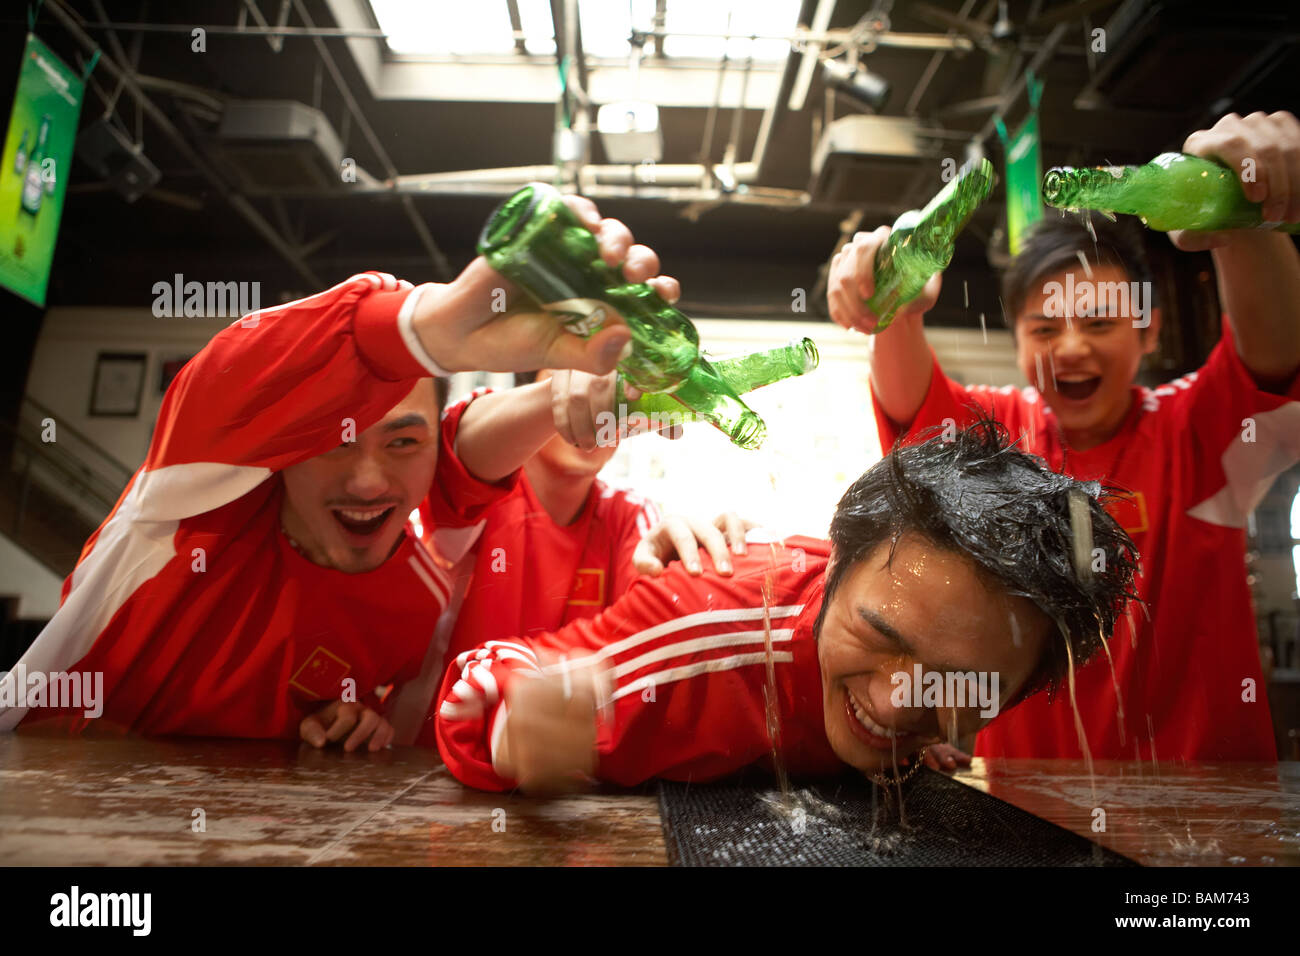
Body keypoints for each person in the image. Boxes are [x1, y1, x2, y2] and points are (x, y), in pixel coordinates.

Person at [0, 195, 678, 748]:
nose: (366, 480)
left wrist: (351, 720)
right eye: (333, 442)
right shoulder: (191, 506)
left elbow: (459, 466)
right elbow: (233, 373)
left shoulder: (420, 596)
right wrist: (424, 328)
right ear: (285, 447)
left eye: (403, 445)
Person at [827, 111, 1300, 762]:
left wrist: (1244, 211)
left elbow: (1276, 350)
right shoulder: (995, 443)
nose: (1070, 348)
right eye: (1045, 329)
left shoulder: (1198, 428)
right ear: (1018, 338)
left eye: (1100, 323)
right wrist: (895, 307)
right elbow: (910, 400)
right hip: (1030, 817)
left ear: (1149, 331)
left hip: (1207, 812)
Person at [433, 419, 1140, 792]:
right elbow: (486, 678)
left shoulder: (993, 656)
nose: (895, 706)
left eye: (956, 681)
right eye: (878, 635)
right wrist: (514, 722)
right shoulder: (712, 629)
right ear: (835, 567)